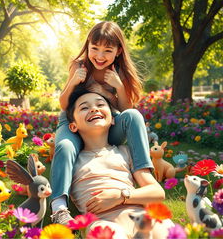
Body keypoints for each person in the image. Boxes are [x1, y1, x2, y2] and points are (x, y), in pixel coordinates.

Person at [50, 21, 152, 224]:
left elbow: (126, 109)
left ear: (118, 51)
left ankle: (145, 175)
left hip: (103, 124)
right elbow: (63, 104)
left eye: (107, 50)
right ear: (87, 46)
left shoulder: (119, 72)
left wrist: (117, 88)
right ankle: (59, 206)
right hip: (74, 121)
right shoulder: (79, 66)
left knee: (134, 116)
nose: (99, 55)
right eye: (94, 48)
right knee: (66, 146)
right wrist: (73, 81)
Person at [67, 88, 173, 239]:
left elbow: (157, 192)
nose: (94, 109)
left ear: (112, 119)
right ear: (73, 126)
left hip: (139, 215)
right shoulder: (72, 159)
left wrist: (120, 196)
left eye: (100, 105)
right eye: (84, 107)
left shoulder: (125, 152)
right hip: (103, 222)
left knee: (165, 229)